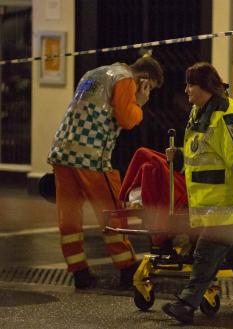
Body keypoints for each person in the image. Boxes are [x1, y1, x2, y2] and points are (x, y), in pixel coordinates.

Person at [161, 63, 233, 323]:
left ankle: (187, 303)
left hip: (228, 203)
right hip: (211, 202)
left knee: (204, 254)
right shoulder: (200, 111)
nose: (187, 89)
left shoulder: (226, 116)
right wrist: (179, 156)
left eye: (191, 84)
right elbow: (202, 153)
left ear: (205, 87)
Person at [47, 55, 164, 289]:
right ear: (144, 80)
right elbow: (127, 118)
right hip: (91, 158)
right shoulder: (124, 79)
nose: (146, 92)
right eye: (149, 88)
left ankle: (79, 272)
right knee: (112, 213)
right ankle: (127, 269)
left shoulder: (94, 74)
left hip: (62, 153)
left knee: (69, 216)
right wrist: (139, 102)